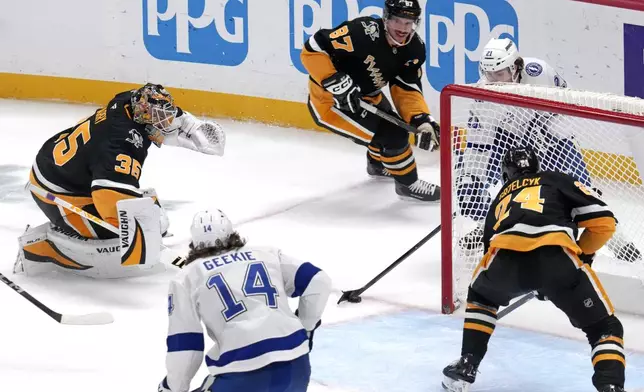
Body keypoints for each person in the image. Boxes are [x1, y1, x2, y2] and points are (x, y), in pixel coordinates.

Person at [443, 146, 625, 392]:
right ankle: (611, 386)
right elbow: (604, 222)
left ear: (506, 174)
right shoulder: (555, 178)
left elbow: (490, 250)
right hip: (556, 260)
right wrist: (582, 253)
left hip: (503, 261)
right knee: (604, 327)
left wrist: (531, 280)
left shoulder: (500, 198)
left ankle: (467, 365)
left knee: (481, 296)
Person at [457, 37, 641, 263]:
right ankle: (490, 227)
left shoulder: (539, 73)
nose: (493, 80)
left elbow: (570, 107)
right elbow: (479, 145)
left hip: (553, 140)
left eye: (500, 73)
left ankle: (617, 240)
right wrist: (471, 177)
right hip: (507, 139)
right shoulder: (482, 96)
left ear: (516, 66)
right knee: (479, 192)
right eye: (489, 73)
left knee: (580, 190)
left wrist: (548, 131)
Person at [15, 83, 226, 278]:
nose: (165, 122)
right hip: (56, 193)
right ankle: (40, 250)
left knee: (148, 209)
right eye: (160, 117)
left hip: (56, 166)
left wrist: (189, 125)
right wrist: (141, 232)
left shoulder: (126, 101)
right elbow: (108, 200)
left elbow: (155, 116)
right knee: (150, 221)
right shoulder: (121, 143)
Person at [158, 209, 331, 392]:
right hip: (297, 368)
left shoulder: (187, 277)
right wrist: (307, 327)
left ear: (194, 242)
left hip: (242, 375)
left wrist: (172, 387)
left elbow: (186, 346)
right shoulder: (267, 253)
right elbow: (318, 281)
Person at [301, 0, 440, 202]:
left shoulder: (414, 50)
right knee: (395, 133)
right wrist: (333, 79)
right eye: (397, 21)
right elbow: (312, 49)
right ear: (386, 18)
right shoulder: (361, 32)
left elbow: (406, 88)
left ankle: (377, 165)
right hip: (330, 101)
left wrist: (420, 119)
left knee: (392, 124)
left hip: (367, 96)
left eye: (408, 23)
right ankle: (407, 184)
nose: (402, 28)